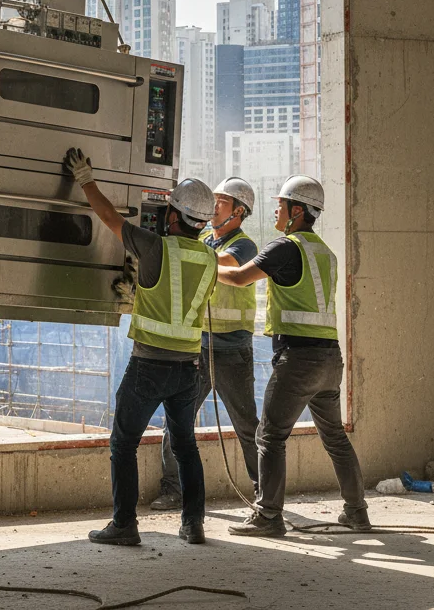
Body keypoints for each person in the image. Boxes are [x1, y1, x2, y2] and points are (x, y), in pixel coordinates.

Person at [63, 146, 216, 546]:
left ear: (172, 214)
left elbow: (110, 217)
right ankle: (193, 523)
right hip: (189, 369)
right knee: (185, 445)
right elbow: (181, 301)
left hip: (149, 365)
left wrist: (84, 179)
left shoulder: (154, 247)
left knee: (123, 442)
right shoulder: (211, 259)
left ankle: (125, 525)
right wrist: (138, 292)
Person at [218, 175, 369, 536]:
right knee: (334, 436)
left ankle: (268, 517)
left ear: (296, 210)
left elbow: (240, 278)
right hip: (330, 360)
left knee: (269, 437)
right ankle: (357, 512)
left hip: (298, 360)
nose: (276, 209)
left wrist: (202, 267)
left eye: (281, 204)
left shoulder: (285, 246)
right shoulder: (325, 253)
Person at [151, 177, 260, 511]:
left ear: (239, 211)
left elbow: (227, 264)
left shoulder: (244, 246)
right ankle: (173, 490)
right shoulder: (205, 243)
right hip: (199, 348)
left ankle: (265, 493)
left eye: (221, 202)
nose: (214, 207)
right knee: (178, 421)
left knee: (247, 427)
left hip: (232, 351)